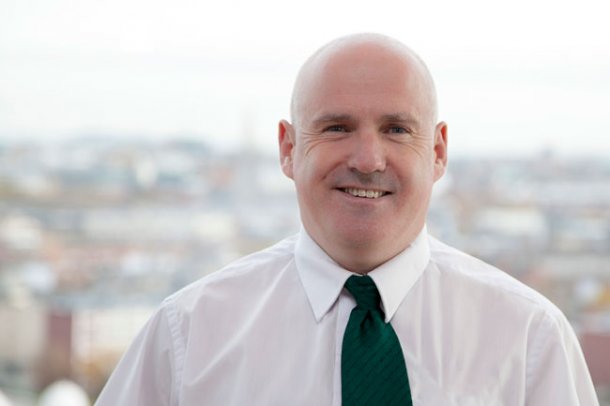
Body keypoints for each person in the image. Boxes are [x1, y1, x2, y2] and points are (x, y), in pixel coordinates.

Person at [95, 34, 599, 405]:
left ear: (438, 151)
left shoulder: (530, 340)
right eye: (337, 127)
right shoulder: (188, 337)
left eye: (397, 129)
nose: (367, 158)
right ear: (289, 149)